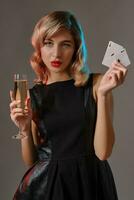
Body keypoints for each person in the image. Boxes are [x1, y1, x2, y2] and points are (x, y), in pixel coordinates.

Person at [10, 11, 127, 200]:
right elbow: (31, 161)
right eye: (49, 43)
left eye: (65, 44)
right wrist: (24, 128)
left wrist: (104, 95)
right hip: (48, 186)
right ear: (40, 47)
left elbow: (103, 152)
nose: (56, 53)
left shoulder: (97, 84)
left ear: (76, 49)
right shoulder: (33, 95)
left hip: (91, 183)